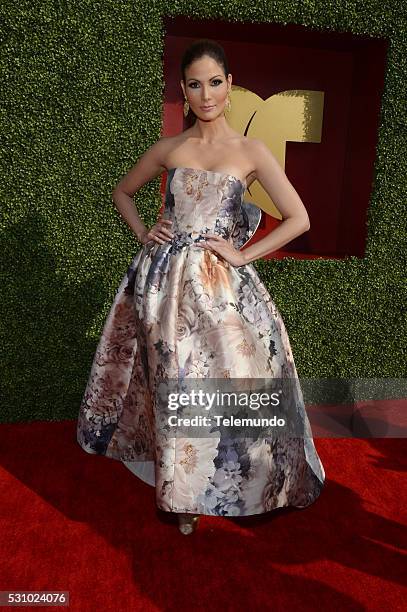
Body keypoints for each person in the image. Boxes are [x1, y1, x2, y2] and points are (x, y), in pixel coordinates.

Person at [76, 38, 325, 535]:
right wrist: (146, 231)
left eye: (215, 82)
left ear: (230, 87)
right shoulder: (170, 149)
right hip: (163, 289)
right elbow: (122, 192)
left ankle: (259, 481)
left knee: (239, 380)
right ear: (183, 92)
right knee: (176, 385)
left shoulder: (251, 151)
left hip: (222, 290)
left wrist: (242, 253)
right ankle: (181, 496)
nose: (206, 94)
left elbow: (298, 217)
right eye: (195, 84)